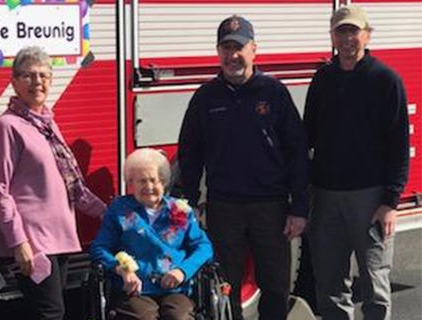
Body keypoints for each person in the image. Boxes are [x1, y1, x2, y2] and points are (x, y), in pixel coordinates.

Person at [177, 15, 310, 320]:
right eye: (226, 47)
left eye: (239, 47)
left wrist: (299, 208)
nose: (232, 55)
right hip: (225, 208)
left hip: (270, 207)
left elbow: (297, 152)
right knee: (226, 287)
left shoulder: (273, 92)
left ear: (254, 50)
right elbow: (190, 152)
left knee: (275, 287)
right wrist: (189, 201)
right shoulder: (206, 97)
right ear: (218, 51)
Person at [0, 46, 106, 320]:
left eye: (43, 75)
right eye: (28, 75)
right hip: (34, 240)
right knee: (50, 312)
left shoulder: (47, 124)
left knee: (51, 311)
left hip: (60, 237)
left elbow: (73, 187)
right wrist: (18, 242)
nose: (37, 82)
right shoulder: (7, 127)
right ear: (14, 81)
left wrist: (108, 213)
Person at [304, 5, 410, 319]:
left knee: (375, 283)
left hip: (371, 198)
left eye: (354, 31)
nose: (348, 38)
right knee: (330, 283)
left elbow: (398, 145)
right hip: (326, 198)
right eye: (341, 31)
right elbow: (306, 136)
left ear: (367, 34)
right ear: (332, 37)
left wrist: (390, 202)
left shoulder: (385, 80)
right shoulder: (322, 79)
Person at [90, 148, 213, 320]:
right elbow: (99, 248)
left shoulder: (180, 210)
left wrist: (183, 271)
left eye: (153, 180)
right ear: (131, 182)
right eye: (141, 181)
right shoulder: (119, 210)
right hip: (135, 289)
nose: (148, 187)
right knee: (143, 317)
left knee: (179, 316)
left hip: (175, 287)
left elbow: (203, 247)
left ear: (163, 182)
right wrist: (121, 269)